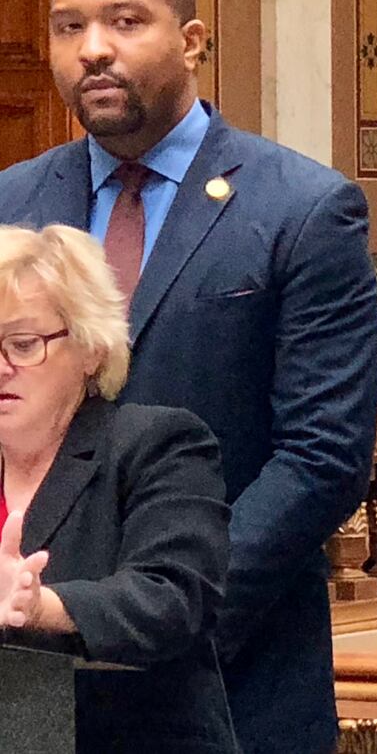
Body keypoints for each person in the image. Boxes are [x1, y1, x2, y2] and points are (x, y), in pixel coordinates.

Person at [0, 0, 377, 753]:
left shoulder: (303, 209)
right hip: (24, 673)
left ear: (193, 41)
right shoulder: (13, 201)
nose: (93, 49)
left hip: (230, 666)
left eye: (124, 21)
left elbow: (321, 456)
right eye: (68, 28)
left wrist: (168, 604)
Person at [0, 225, 235, 752]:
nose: (1, 366)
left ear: (91, 348)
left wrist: (43, 607)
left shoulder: (157, 444)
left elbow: (172, 598)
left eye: (22, 344)